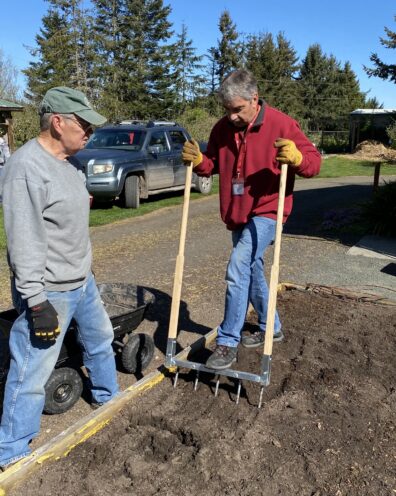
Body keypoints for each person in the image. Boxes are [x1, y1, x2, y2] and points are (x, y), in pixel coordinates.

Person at [0, 86, 119, 470]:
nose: (90, 132)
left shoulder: (70, 164)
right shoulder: (25, 167)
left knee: (101, 340)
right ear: (57, 122)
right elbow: (24, 238)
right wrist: (36, 301)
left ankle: (108, 398)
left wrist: (86, 269)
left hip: (81, 281)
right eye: (84, 124)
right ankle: (11, 451)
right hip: (50, 290)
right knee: (32, 369)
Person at [182, 69, 321, 370]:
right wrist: (199, 162)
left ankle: (227, 341)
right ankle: (273, 327)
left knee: (238, 266)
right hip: (237, 212)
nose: (231, 116)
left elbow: (314, 163)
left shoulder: (282, 124)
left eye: (237, 109)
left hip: (269, 211)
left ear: (254, 99)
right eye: (227, 110)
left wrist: (297, 158)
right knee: (252, 269)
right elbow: (214, 164)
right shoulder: (222, 129)